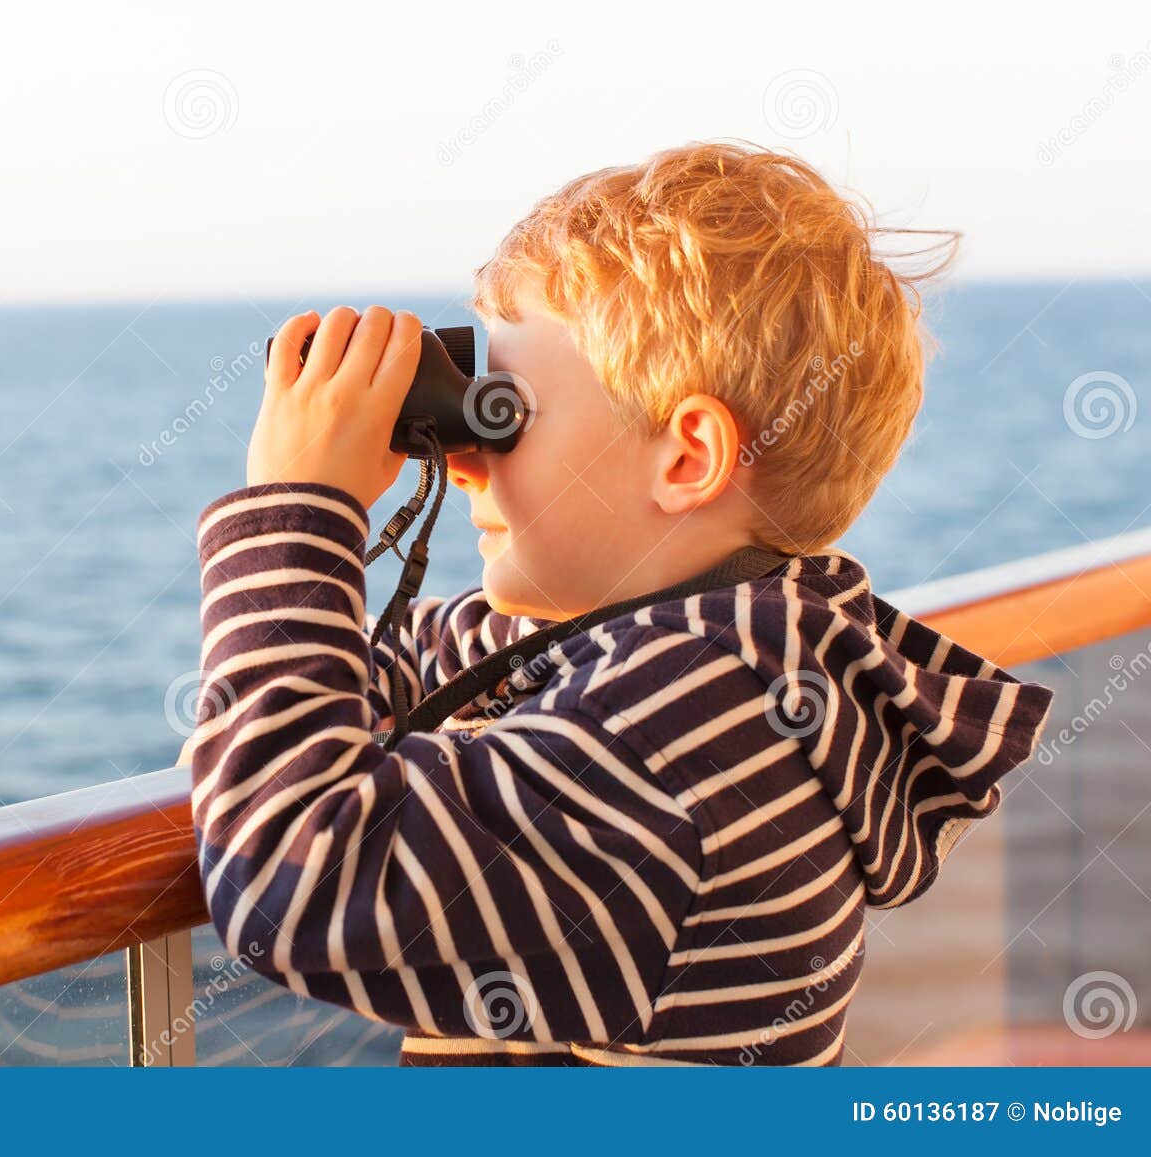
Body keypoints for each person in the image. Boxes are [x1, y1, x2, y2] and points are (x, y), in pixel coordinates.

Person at [181, 141, 1056, 1066]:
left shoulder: (675, 730)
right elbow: (403, 673)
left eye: (503, 411)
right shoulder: (750, 645)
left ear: (686, 459)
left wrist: (294, 511)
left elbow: (290, 886)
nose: (469, 457)